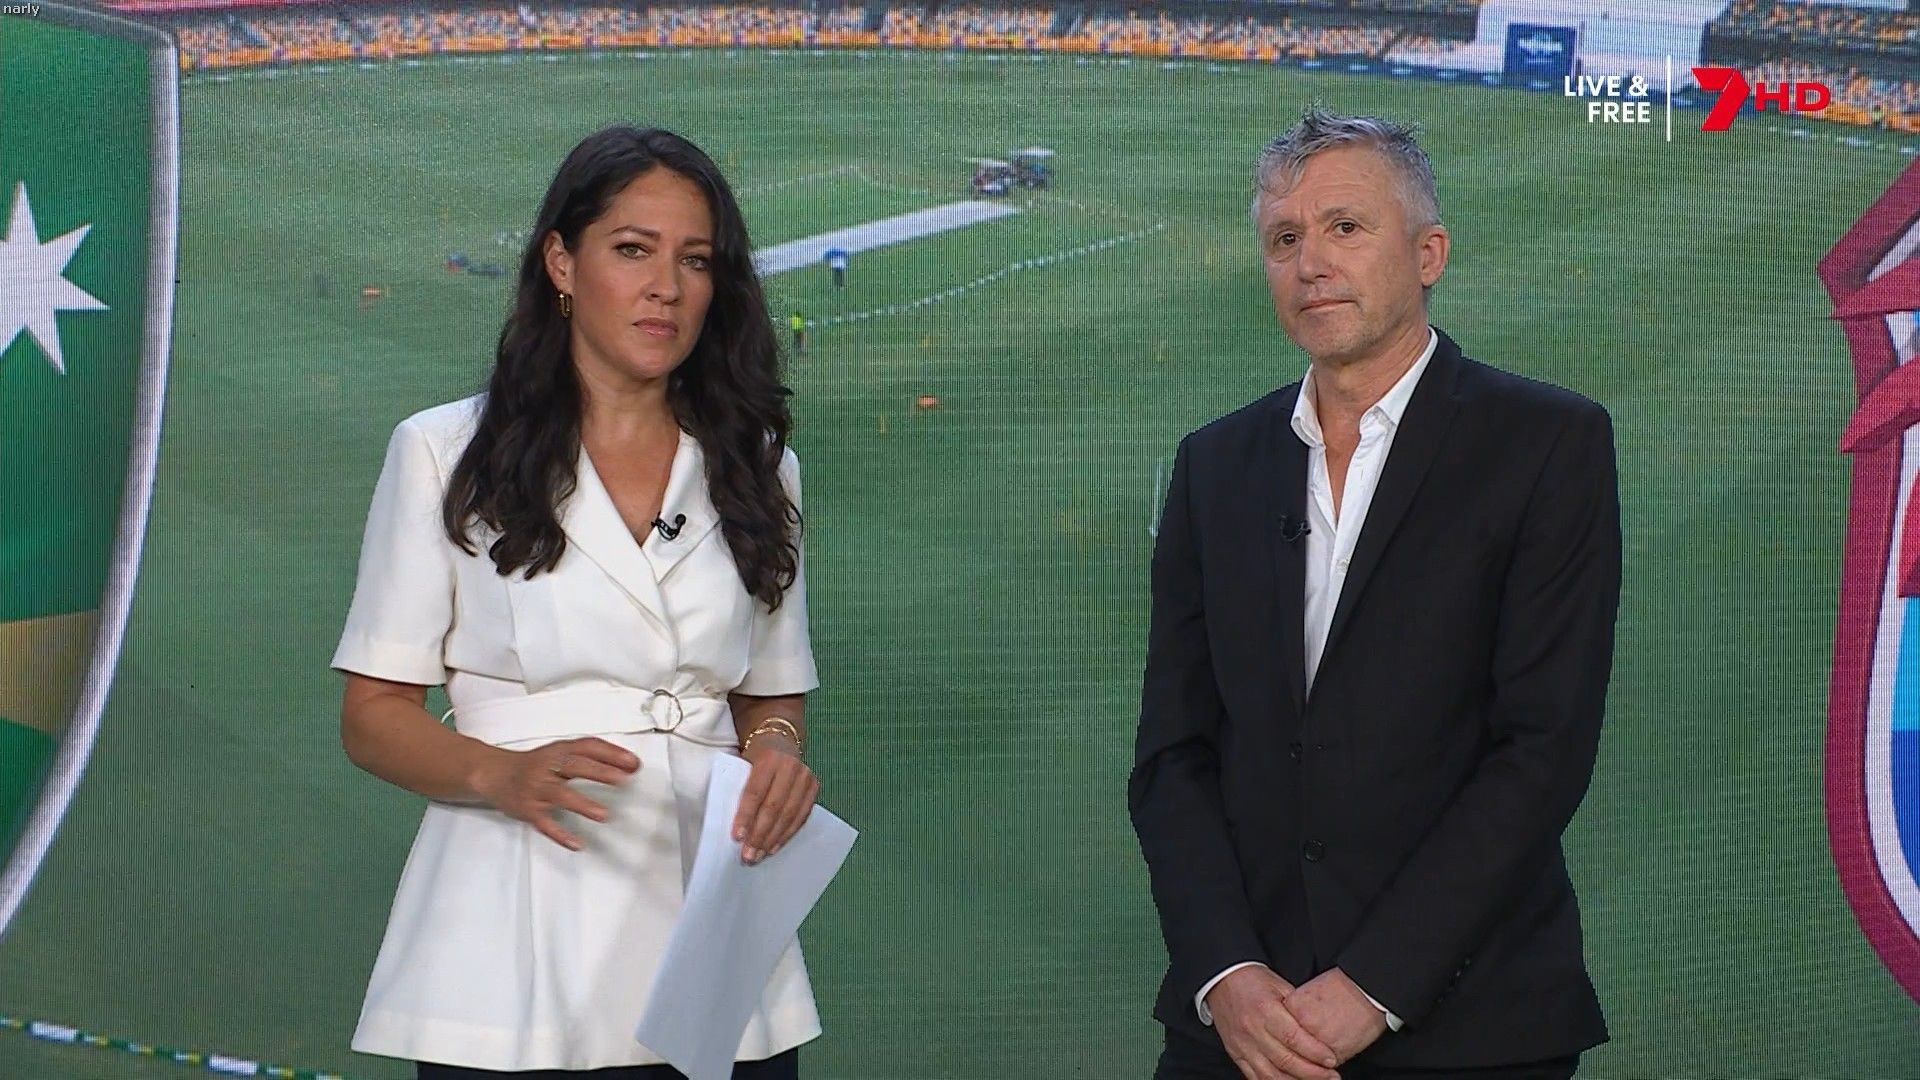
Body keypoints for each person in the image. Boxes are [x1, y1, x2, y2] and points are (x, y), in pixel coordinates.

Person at [1129, 105, 1620, 1080]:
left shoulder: (1547, 445)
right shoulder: (1214, 465)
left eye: (1344, 227)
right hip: (1241, 1031)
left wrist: (1374, 985)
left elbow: (1542, 749)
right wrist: (1227, 973)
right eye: (1284, 239)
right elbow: (1173, 755)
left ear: (1428, 253)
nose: (1310, 262)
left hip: (1470, 1032)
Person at [333, 125, 824, 1079]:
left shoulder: (762, 468)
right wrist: (498, 777)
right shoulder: (443, 453)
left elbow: (772, 691)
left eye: (695, 260)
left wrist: (776, 754)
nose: (666, 287)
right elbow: (372, 716)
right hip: (511, 935)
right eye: (633, 250)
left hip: (720, 935)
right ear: (562, 262)